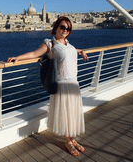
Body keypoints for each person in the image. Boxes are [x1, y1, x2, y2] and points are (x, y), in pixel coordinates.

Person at [7, 16, 88, 156]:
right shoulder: (50, 44)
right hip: (62, 85)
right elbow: (34, 53)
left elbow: (70, 51)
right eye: (62, 27)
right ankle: (67, 141)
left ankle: (72, 139)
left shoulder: (69, 44)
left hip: (74, 84)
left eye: (68, 28)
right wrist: (18, 57)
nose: (65, 30)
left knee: (73, 113)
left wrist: (81, 51)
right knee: (66, 114)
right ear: (56, 27)